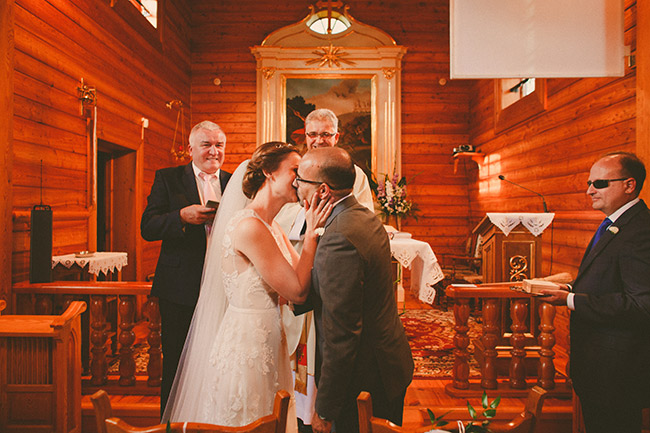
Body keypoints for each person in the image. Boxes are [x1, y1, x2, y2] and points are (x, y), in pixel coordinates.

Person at [162, 142, 333, 432]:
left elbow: (301, 278)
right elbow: (297, 291)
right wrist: (312, 236)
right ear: (269, 172)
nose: (301, 180)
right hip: (247, 348)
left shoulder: (272, 227)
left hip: (269, 341)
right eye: (295, 171)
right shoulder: (249, 226)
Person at [294, 147, 414, 433]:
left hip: (364, 378)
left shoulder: (338, 238)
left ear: (323, 190)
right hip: (387, 362)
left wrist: (325, 407)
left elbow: (342, 333)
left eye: (301, 180)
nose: (296, 185)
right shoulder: (362, 216)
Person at [275, 108, 374, 430]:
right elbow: (280, 212)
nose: (318, 140)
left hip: (331, 269)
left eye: (326, 134)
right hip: (295, 265)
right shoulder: (296, 169)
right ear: (304, 136)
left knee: (328, 339)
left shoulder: (353, 175)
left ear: (337, 136)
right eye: (313, 134)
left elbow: (357, 218)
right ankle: (295, 405)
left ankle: (318, 406)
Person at [541, 152, 650, 433]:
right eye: (589, 183)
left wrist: (571, 300)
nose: (590, 190)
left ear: (629, 185)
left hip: (617, 369)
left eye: (600, 183)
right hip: (599, 365)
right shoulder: (616, 224)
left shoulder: (640, 231)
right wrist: (569, 288)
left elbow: (642, 304)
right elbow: (611, 281)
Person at [141, 120, 231, 416]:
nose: (214, 151)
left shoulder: (234, 182)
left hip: (224, 287)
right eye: (207, 145)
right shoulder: (168, 178)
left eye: (219, 145)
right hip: (179, 287)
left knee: (219, 358)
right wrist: (180, 216)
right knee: (176, 359)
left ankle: (211, 418)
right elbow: (148, 226)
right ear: (190, 149)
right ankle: (170, 421)